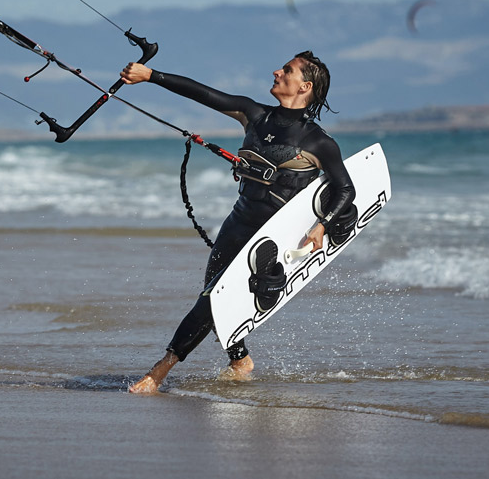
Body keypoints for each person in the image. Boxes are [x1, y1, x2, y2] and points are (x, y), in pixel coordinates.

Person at [120, 51, 356, 394]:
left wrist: (322, 225)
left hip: (270, 237)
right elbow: (202, 93)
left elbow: (345, 189)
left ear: (304, 86)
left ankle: (158, 373)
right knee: (215, 298)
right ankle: (240, 359)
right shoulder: (254, 115)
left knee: (212, 298)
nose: (277, 71)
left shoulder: (318, 142)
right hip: (238, 221)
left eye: (286, 70)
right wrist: (150, 75)